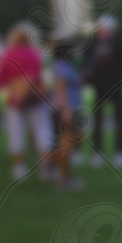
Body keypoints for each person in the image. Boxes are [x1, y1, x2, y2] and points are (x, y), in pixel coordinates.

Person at [0, 23, 53, 181]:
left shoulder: (6, 55)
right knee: (42, 132)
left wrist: (12, 93)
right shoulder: (35, 54)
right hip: (36, 99)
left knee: (16, 133)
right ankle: (45, 167)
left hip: (14, 100)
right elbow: (43, 78)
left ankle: (19, 166)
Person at [82, 14, 122, 168]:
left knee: (120, 120)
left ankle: (121, 152)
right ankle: (97, 152)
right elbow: (87, 64)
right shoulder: (93, 43)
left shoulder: (119, 43)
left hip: (116, 86)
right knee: (98, 120)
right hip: (100, 86)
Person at [51, 41, 85, 189]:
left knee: (70, 143)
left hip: (71, 109)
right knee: (66, 146)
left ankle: (57, 173)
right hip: (67, 111)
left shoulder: (64, 66)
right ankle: (63, 178)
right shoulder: (62, 68)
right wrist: (66, 112)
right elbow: (60, 90)